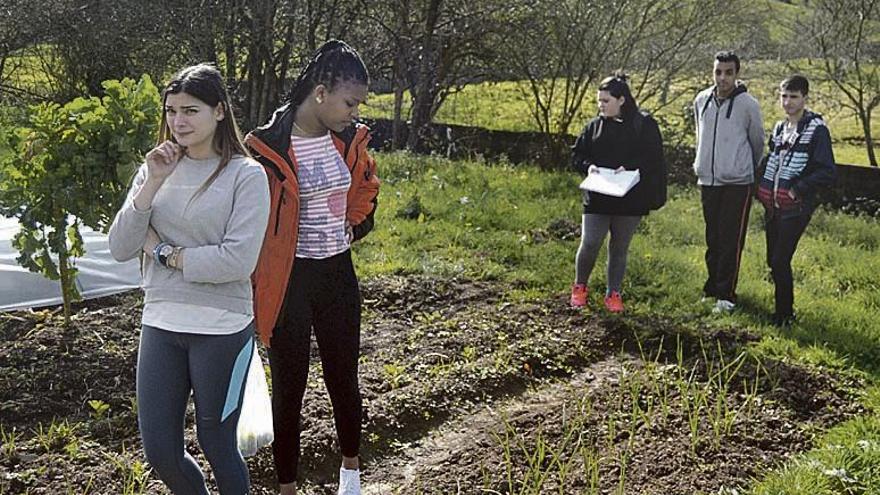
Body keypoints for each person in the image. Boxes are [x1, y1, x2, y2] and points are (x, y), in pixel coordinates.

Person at [108, 64, 270, 494]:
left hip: (222, 328)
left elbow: (236, 260)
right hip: (161, 321)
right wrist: (151, 184)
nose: (178, 122)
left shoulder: (246, 175)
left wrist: (165, 252)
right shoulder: (156, 168)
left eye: (190, 111)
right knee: (160, 452)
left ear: (219, 112)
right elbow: (121, 245)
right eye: (172, 111)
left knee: (217, 443)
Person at [244, 40, 379, 495]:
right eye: (349, 102)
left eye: (358, 104)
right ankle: (286, 487)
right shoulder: (267, 147)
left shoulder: (349, 140)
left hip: (337, 275)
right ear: (320, 93)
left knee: (344, 379)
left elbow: (367, 191)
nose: (354, 112)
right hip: (290, 282)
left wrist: (353, 226)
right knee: (289, 390)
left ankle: (351, 475)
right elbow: (251, 218)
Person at [570, 74, 665, 313]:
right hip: (598, 196)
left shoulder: (643, 125)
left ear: (621, 100)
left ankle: (613, 293)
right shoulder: (593, 126)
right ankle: (580, 286)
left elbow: (654, 158)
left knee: (619, 247)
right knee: (590, 243)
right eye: (599, 101)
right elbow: (577, 155)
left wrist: (632, 167)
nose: (601, 105)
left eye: (606, 100)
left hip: (630, 197)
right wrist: (588, 166)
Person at [757, 75, 835, 327]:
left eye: (793, 96)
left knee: (781, 259)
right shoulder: (780, 128)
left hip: (796, 207)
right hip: (773, 207)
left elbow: (826, 171)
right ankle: (780, 310)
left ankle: (784, 316)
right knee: (772, 260)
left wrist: (797, 189)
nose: (788, 102)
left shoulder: (817, 130)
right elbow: (773, 161)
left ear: (804, 98)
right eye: (784, 96)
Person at [693, 50, 765, 313]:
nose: (722, 78)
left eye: (728, 72)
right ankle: (712, 288)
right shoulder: (701, 99)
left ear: (737, 74)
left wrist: (743, 167)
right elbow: (699, 135)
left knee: (731, 238)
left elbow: (757, 142)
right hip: (708, 180)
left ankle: (727, 294)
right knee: (713, 237)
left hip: (737, 182)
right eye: (718, 72)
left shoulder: (748, 104)